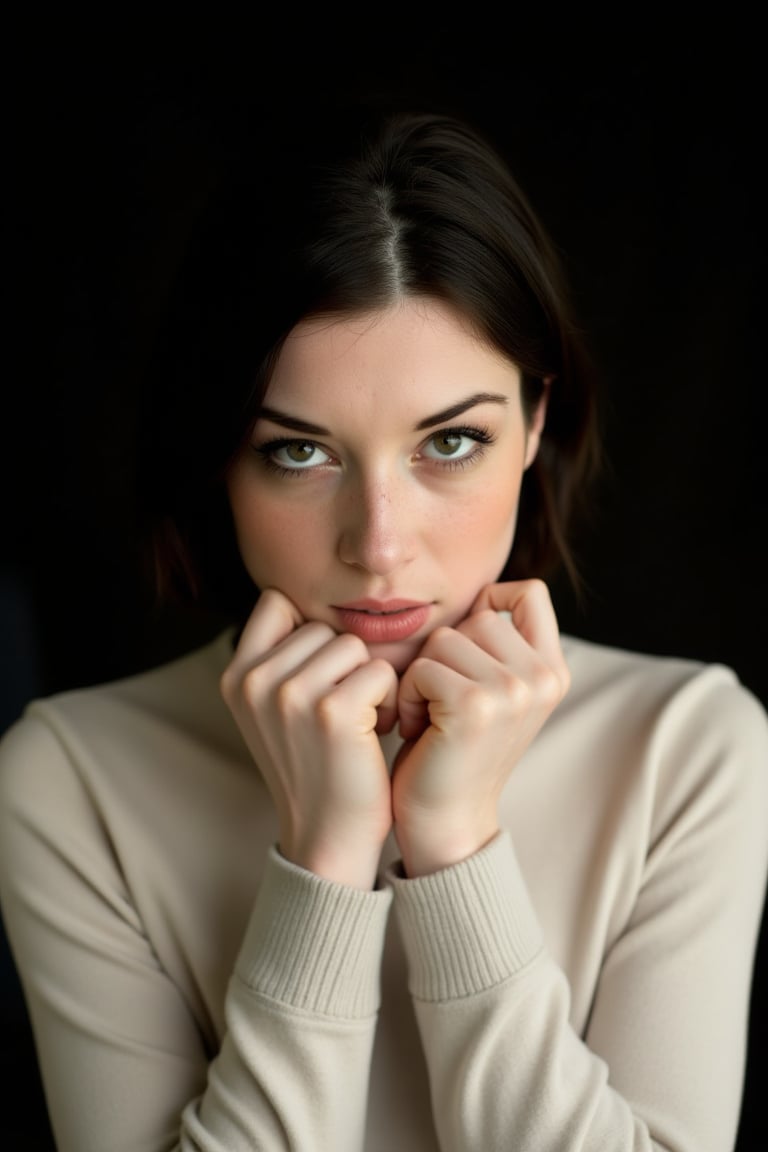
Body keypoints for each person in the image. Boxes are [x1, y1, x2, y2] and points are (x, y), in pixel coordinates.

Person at [0, 106, 766, 1152]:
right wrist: (322, 861)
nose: (380, 544)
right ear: (217, 454)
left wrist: (454, 848)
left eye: (450, 441)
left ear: (536, 424)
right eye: (299, 454)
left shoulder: (688, 747)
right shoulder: (68, 780)